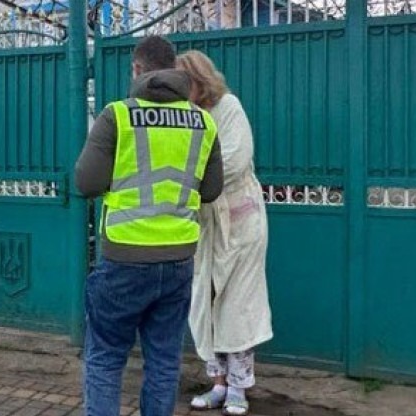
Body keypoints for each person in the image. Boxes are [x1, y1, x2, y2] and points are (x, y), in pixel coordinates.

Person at [74, 37, 223, 416]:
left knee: (106, 358)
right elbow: (211, 190)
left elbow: (86, 183)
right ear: (174, 69)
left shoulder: (117, 115)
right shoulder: (203, 122)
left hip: (124, 258)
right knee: (164, 362)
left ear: (137, 69)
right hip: (178, 262)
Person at [176, 50, 273, 416]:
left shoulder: (228, 107)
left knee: (238, 305)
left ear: (199, 81)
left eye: (185, 83)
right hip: (204, 223)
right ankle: (217, 383)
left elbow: (235, 159)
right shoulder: (183, 116)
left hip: (240, 222)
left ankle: (238, 388)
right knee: (205, 302)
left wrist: (188, 180)